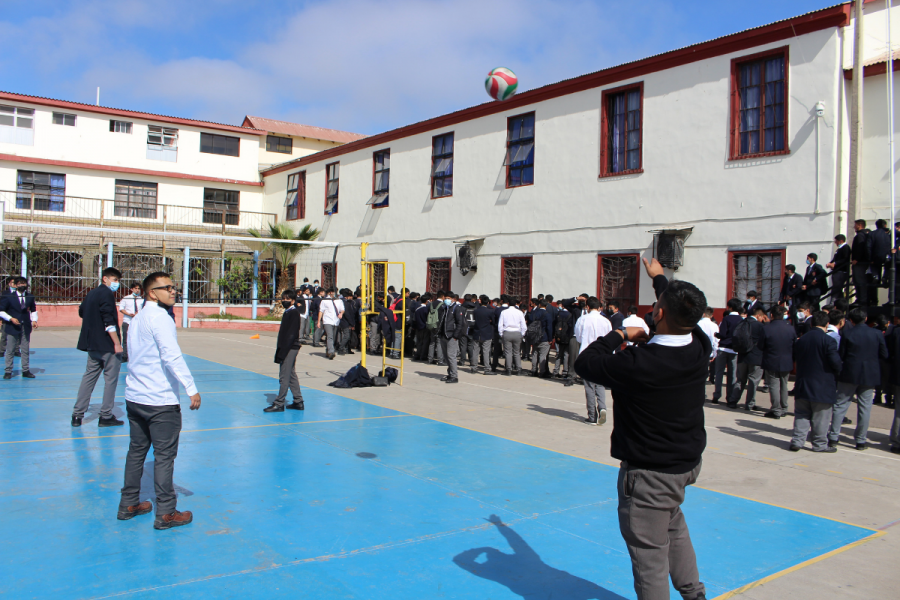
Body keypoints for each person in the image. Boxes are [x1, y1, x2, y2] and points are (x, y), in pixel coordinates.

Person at [575, 257, 708, 600]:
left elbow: (585, 362)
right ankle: (694, 594)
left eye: (658, 305)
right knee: (673, 527)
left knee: (648, 558)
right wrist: (660, 278)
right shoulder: (698, 347)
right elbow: (680, 310)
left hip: (649, 474)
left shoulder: (639, 363)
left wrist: (618, 333)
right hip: (684, 464)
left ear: (659, 314)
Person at [117, 271, 200, 530]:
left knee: (136, 452)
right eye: (167, 288)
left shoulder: (137, 319)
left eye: (174, 287)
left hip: (135, 397)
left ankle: (128, 504)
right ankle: (166, 512)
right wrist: (191, 388)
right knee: (164, 457)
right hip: (159, 401)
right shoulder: (160, 318)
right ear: (152, 293)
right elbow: (171, 356)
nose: (173, 291)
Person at [72, 267, 125, 428]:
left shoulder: (91, 293)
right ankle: (106, 415)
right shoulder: (106, 294)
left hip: (92, 345)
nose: (117, 283)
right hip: (107, 345)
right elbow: (108, 320)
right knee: (110, 380)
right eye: (114, 279)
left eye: (117, 280)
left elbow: (82, 311)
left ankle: (77, 415)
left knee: (88, 378)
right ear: (105, 279)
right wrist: (116, 343)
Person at [828, 307, 888, 450]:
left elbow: (841, 355)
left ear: (851, 320)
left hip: (850, 373)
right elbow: (884, 354)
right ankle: (861, 440)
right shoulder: (877, 333)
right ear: (865, 319)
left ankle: (833, 437)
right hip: (869, 374)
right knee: (865, 408)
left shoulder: (847, 334)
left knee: (840, 405)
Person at [790, 311, 841, 452]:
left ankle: (797, 441)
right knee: (821, 417)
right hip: (822, 385)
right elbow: (835, 363)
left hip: (803, 383)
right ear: (827, 324)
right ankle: (819, 444)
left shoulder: (801, 340)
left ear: (811, 324)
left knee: (801, 415)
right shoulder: (828, 341)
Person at [266, 290, 305, 412]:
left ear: (293, 300)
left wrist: (283, 352)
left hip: (290, 347)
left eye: (287, 299)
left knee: (284, 376)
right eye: (283, 299)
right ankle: (298, 401)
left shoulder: (293, 313)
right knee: (291, 374)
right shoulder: (288, 312)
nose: (284, 301)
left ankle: (279, 403)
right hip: (288, 347)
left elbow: (291, 334)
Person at [574, 297, 612, 425]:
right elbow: (610, 339)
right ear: (599, 307)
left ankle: (592, 416)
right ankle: (602, 407)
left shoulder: (582, 319)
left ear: (587, 307)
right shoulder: (606, 321)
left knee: (589, 387)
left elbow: (578, 337)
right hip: (602, 355)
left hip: (587, 354)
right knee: (599, 384)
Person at [761, 305, 796, 419]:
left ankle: (776, 409)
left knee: (774, 385)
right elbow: (795, 345)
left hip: (771, 360)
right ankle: (784, 408)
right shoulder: (790, 328)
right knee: (784, 385)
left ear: (772, 315)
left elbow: (761, 345)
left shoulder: (767, 328)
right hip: (786, 360)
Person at [0, 276, 38, 379]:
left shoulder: (30, 297)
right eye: (20, 284)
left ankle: (25, 370)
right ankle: (8, 371)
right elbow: (1, 311)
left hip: (25, 326)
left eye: (24, 283)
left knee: (25, 349)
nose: (22, 285)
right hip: (12, 327)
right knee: (10, 349)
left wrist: (34, 320)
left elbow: (33, 310)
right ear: (16, 285)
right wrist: (10, 318)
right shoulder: (9, 297)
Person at [733, 305, 766, 410]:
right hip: (756, 357)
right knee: (753, 381)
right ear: (759, 315)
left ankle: (733, 400)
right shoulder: (760, 326)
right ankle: (750, 403)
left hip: (742, 355)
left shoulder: (742, 323)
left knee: (740, 380)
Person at [712, 298, 743, 404]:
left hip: (723, 348)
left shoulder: (727, 319)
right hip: (734, 350)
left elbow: (723, 334)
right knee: (732, 375)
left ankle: (717, 395)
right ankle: (730, 397)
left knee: (719, 372)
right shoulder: (741, 320)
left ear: (730, 307)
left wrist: (716, 334)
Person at [439, 292, 465, 383]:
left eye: (449, 298)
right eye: (445, 298)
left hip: (451, 336)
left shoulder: (456, 308)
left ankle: (454, 376)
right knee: (446, 357)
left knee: (451, 356)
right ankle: (450, 374)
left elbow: (459, 323)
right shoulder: (444, 308)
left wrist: (455, 336)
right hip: (443, 335)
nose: (447, 300)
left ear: (454, 299)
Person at [498, 299, 527, 376]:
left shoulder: (504, 312)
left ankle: (508, 369)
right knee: (517, 352)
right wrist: (522, 334)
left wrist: (501, 334)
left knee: (508, 352)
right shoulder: (519, 312)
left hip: (507, 332)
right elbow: (523, 325)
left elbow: (500, 324)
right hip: (517, 332)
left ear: (508, 303)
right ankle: (519, 369)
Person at [469, 295, 495, 375]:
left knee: (475, 351)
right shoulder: (490, 311)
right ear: (487, 303)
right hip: (486, 333)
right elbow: (493, 322)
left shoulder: (476, 311)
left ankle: (474, 367)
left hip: (477, 332)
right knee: (486, 351)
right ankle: (487, 368)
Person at [118, 282, 143, 363]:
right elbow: (121, 309)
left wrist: (138, 314)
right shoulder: (126, 298)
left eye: (138, 288)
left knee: (136, 339)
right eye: (135, 288)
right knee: (126, 339)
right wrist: (129, 314)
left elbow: (143, 310)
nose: (137, 290)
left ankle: (135, 355)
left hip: (137, 322)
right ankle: (125, 355)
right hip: (127, 321)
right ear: (131, 289)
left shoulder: (141, 300)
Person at [886, 316, 900, 454]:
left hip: (897, 374)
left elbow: (888, 353)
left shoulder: (895, 332)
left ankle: (896, 440)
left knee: (898, 410)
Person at [317, 288, 344, 360]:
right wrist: (319, 321)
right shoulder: (325, 300)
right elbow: (321, 311)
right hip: (327, 320)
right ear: (330, 292)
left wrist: (341, 313)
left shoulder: (339, 300)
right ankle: (331, 352)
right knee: (330, 336)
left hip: (336, 321)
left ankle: (328, 351)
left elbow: (342, 309)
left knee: (333, 337)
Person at [529, 299, 554, 378]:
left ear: (539, 305)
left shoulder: (533, 313)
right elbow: (549, 328)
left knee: (534, 354)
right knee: (542, 355)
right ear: (546, 306)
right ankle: (542, 372)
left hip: (534, 336)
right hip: (544, 337)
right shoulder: (547, 315)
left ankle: (533, 370)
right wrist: (550, 339)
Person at [697, 307, 718, 395]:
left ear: (703, 314)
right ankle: (702, 391)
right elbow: (716, 340)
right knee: (705, 372)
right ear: (711, 315)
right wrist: (715, 353)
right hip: (709, 351)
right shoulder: (714, 325)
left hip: (698, 351)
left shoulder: (698, 323)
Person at [851, 219, 872, 306]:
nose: (854, 227)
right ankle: (861, 299)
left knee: (859, 281)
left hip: (859, 263)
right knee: (860, 281)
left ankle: (861, 299)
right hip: (863, 262)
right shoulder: (866, 235)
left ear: (859, 225)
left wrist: (857, 259)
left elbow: (860, 248)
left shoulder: (860, 236)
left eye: (855, 225)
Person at [826, 235, 851, 300]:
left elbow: (845, 259)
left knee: (836, 288)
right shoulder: (839, 249)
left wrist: (835, 264)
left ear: (841, 241)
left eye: (836, 241)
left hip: (841, 271)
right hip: (836, 271)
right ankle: (840, 302)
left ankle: (833, 302)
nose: (835, 243)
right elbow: (835, 258)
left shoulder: (846, 248)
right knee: (838, 289)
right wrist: (830, 263)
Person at [0, 276, 18, 358]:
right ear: (9, 283)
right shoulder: (5, 293)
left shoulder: (20, 293)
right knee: (4, 335)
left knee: (17, 335)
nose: (14, 284)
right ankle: (1, 350)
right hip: (6, 317)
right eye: (13, 282)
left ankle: (16, 350)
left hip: (17, 317)